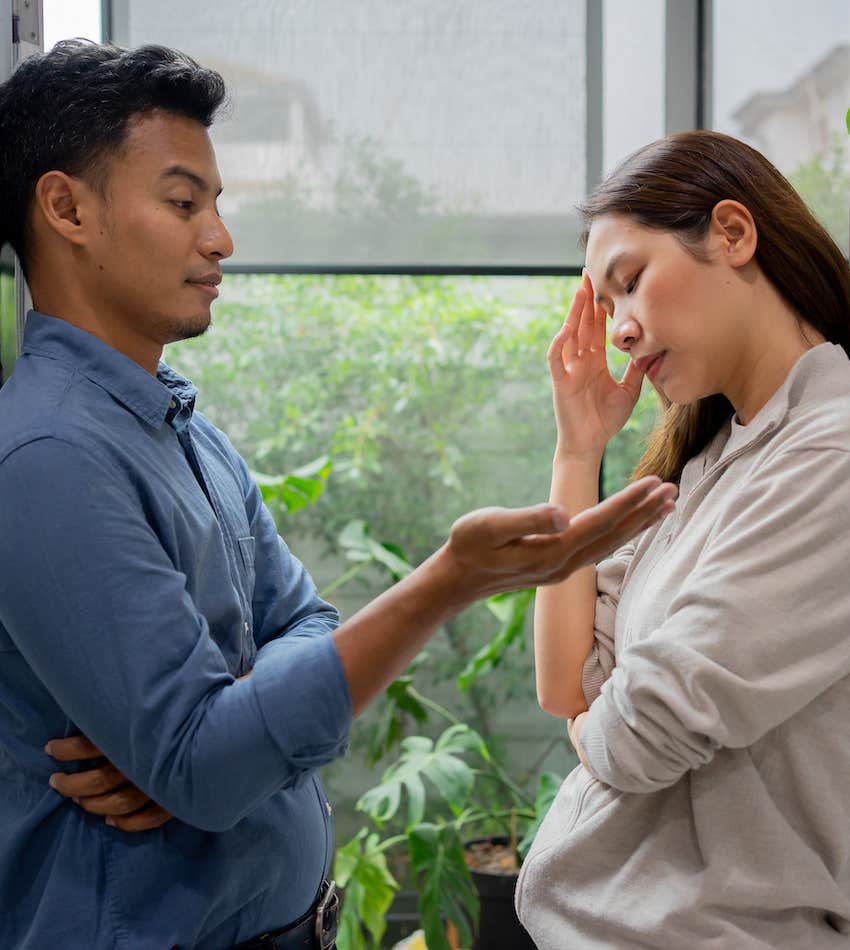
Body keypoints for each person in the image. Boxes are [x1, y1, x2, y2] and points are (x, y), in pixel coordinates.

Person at [0, 40, 676, 950]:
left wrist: (202, 738)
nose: (219, 238)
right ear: (65, 208)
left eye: (215, 204)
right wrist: (445, 583)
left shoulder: (182, 430)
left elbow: (306, 631)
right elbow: (212, 763)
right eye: (181, 201)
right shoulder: (50, 457)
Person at [515, 128, 850, 948]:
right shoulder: (711, 465)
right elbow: (565, 684)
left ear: (733, 234)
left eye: (629, 284)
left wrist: (599, 724)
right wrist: (577, 450)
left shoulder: (833, 451)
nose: (620, 329)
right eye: (606, 307)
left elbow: (638, 735)